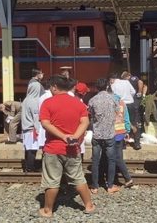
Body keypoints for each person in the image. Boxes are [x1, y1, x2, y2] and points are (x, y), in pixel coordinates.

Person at [39, 75, 95, 218]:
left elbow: (45, 123)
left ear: (54, 87)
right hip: (73, 148)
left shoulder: (48, 102)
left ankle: (47, 210)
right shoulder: (78, 103)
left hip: (53, 148)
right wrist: (74, 136)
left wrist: (62, 136)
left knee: (52, 180)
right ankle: (89, 206)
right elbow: (85, 122)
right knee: (78, 178)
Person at [88, 78, 120, 194]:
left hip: (97, 134)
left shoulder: (92, 100)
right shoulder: (113, 99)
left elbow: (91, 115)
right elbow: (117, 112)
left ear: (96, 87)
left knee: (95, 161)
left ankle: (95, 186)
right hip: (110, 134)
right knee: (111, 160)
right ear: (107, 86)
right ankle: (110, 186)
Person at [109, 86, 133, 187]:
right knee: (118, 156)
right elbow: (126, 117)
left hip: (110, 132)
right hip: (120, 131)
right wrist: (127, 130)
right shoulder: (122, 102)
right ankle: (114, 178)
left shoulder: (108, 101)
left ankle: (127, 178)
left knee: (116, 157)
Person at [109, 73, 139, 150]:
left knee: (120, 124)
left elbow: (113, 96)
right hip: (130, 104)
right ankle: (137, 143)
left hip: (121, 105)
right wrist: (129, 98)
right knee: (134, 123)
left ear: (112, 79)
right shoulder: (126, 82)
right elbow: (133, 91)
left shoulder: (113, 85)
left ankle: (123, 144)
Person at [21, 81, 42, 172]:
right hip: (31, 129)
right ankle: (30, 168)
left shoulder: (26, 100)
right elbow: (36, 117)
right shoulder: (34, 101)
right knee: (32, 149)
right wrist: (38, 129)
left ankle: (27, 166)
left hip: (25, 128)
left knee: (27, 148)